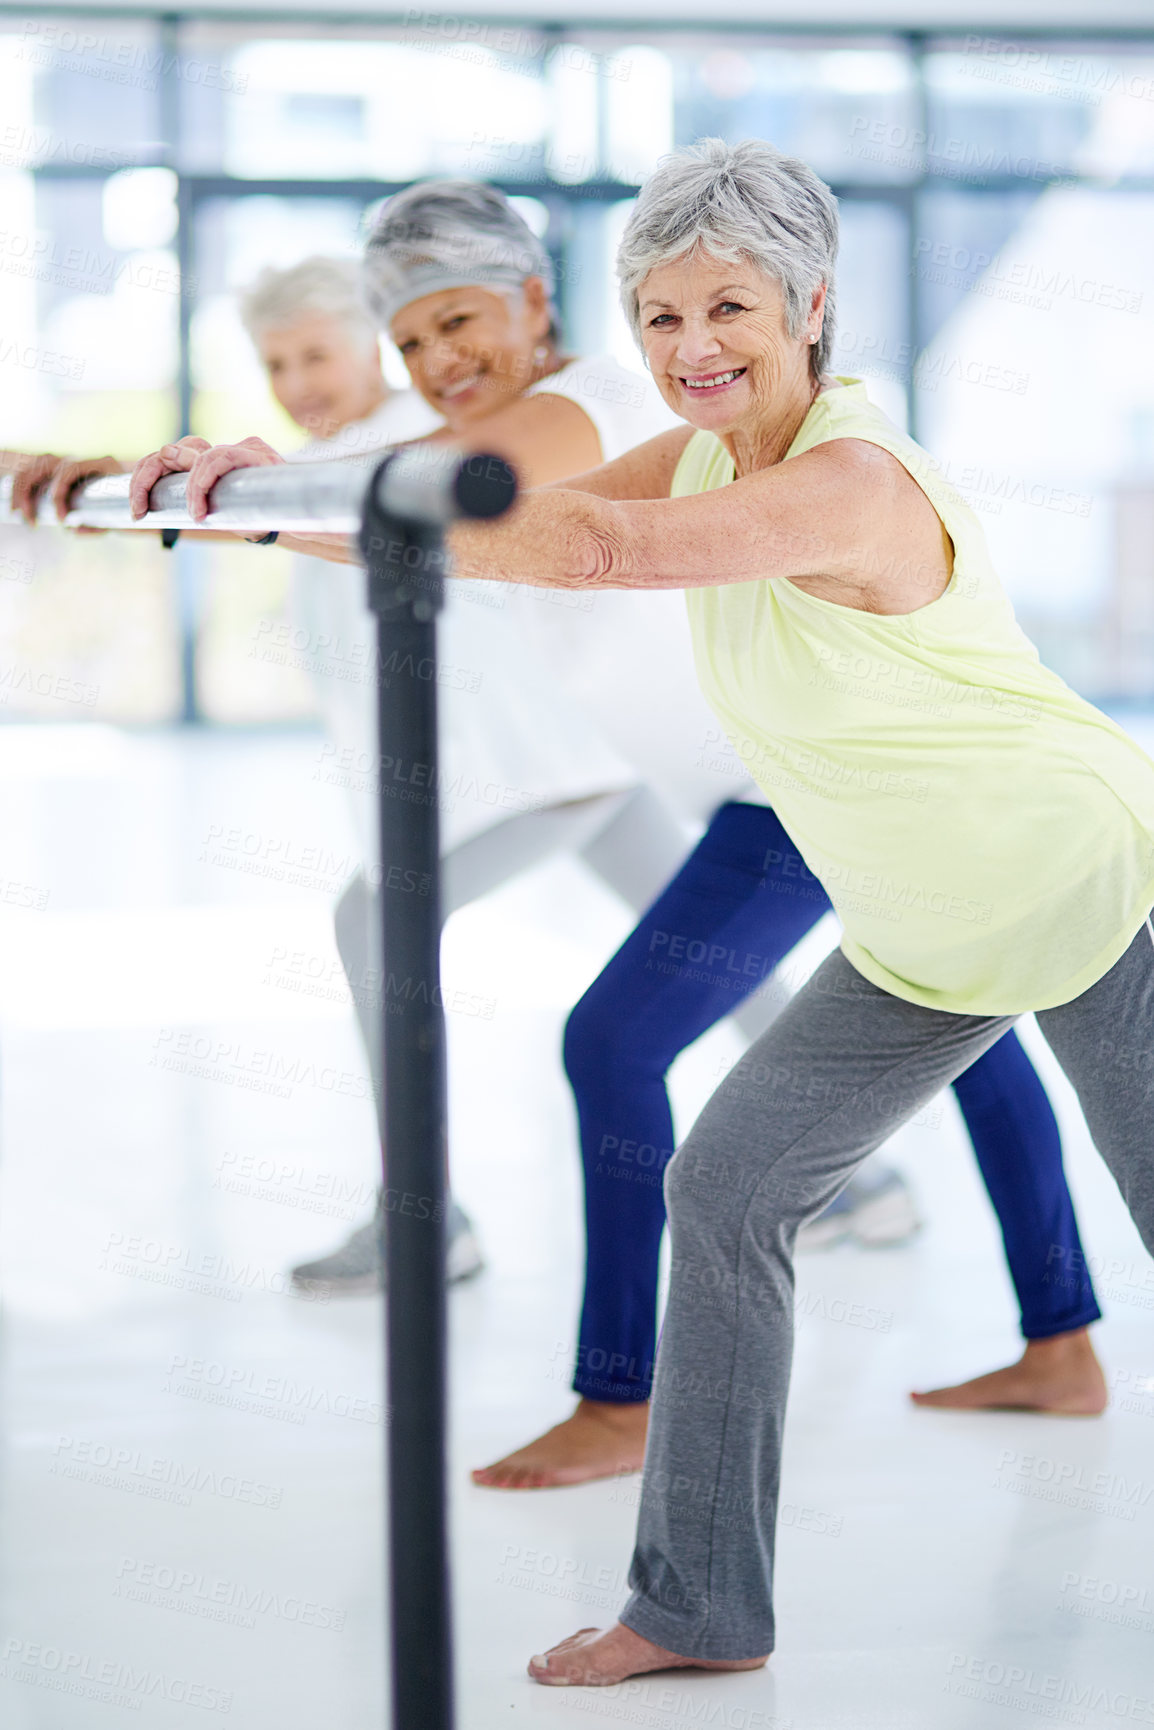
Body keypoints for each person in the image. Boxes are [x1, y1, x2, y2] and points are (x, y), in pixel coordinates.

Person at [142, 136, 1154, 1689]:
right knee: (726, 1187)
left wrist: (269, 507)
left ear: (811, 306)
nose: (693, 350)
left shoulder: (851, 478)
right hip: (917, 931)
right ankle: (695, 1605)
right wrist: (239, 504)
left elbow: (593, 550)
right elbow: (488, 527)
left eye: (730, 310)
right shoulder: (696, 455)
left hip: (1080, 882)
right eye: (662, 317)